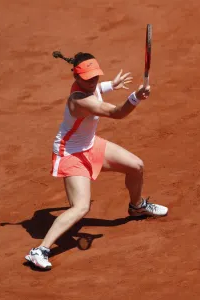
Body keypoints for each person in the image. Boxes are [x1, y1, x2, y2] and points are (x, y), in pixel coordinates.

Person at [24, 51, 168, 270]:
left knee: (136, 166)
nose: (93, 81)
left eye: (96, 76)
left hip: (90, 145)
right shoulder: (80, 100)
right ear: (76, 78)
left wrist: (112, 85)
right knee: (80, 208)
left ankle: (137, 206)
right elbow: (118, 113)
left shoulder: (89, 88)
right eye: (88, 78)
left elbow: (98, 89)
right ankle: (40, 250)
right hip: (71, 154)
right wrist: (135, 97)